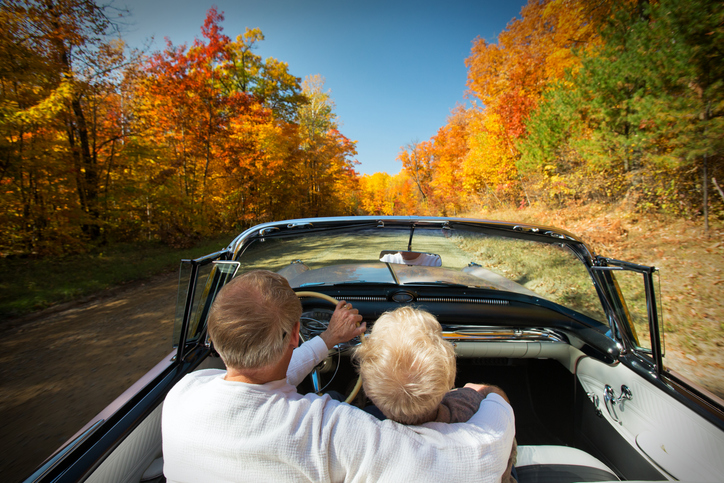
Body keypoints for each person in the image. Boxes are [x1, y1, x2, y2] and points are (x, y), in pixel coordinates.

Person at [162, 269, 514, 482]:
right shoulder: (326, 431)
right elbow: (467, 462)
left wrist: (328, 340)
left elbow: (260, 379)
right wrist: (493, 397)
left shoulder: (184, 393)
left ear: (218, 337)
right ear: (295, 334)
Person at [353, 306, 518, 482]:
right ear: (449, 375)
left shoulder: (358, 434)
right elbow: (498, 398)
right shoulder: (473, 409)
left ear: (368, 389)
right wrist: (475, 390)